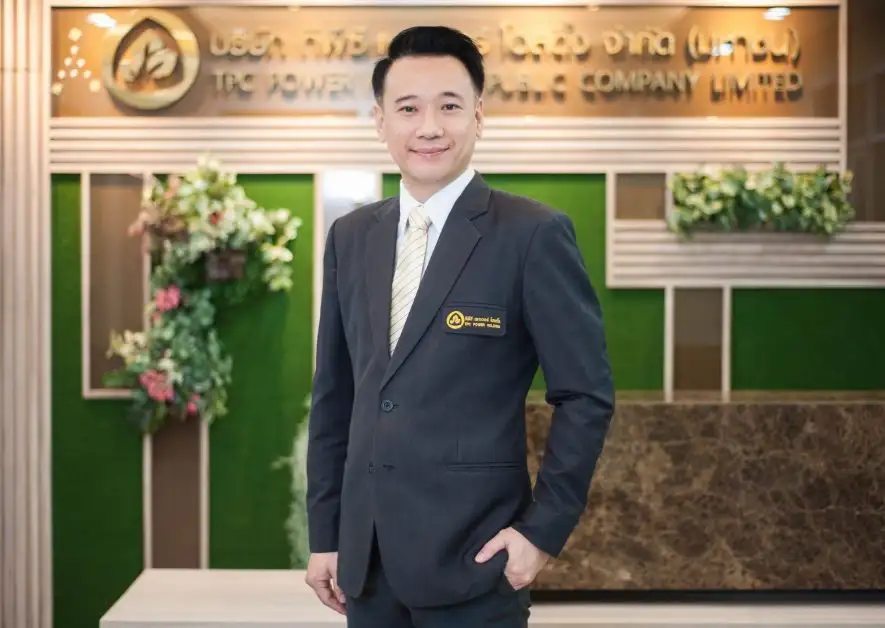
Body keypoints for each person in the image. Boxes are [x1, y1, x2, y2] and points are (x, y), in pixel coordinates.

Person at [305, 24, 614, 628]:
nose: (429, 127)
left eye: (449, 106)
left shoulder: (531, 234)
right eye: (408, 108)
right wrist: (327, 532)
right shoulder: (351, 237)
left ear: (478, 115)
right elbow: (335, 397)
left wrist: (542, 532)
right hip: (366, 567)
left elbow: (585, 395)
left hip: (476, 561)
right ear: (380, 121)